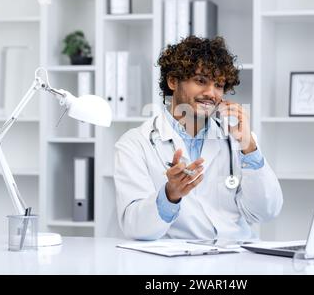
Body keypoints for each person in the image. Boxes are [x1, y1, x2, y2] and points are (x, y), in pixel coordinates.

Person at [114, 36, 283, 240]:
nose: (211, 93)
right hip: (177, 263)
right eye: (201, 81)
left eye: (219, 85)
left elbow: (266, 212)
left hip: (237, 256)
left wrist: (249, 147)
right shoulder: (135, 144)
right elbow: (136, 228)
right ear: (173, 81)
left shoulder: (238, 140)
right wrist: (170, 195)